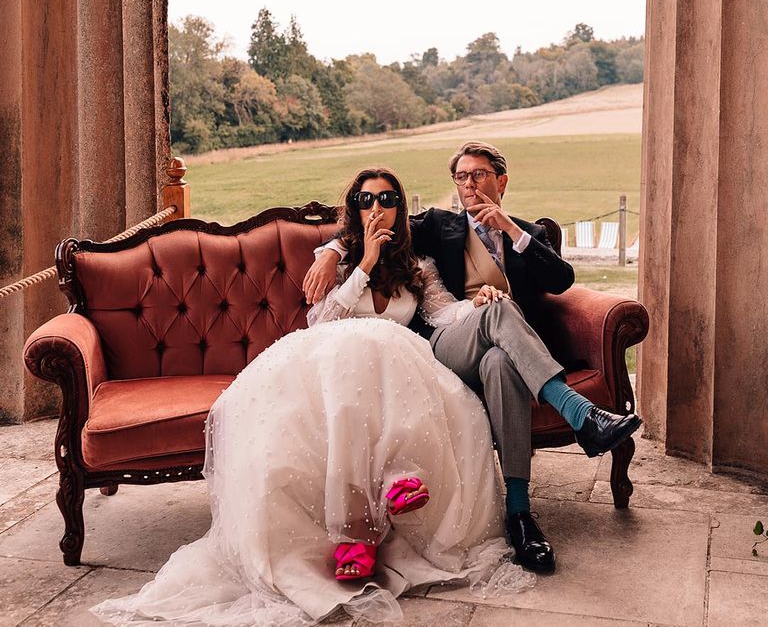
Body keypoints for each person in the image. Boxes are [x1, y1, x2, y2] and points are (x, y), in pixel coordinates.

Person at [91, 168, 534, 627]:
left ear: (400, 208)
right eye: (365, 200)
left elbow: (443, 314)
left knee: (406, 373)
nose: (376, 208)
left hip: (394, 362)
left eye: (386, 200)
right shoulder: (337, 263)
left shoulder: (417, 267)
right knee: (347, 388)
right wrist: (363, 262)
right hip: (334, 356)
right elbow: (326, 320)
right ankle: (362, 519)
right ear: (354, 208)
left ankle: (392, 493)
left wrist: (478, 301)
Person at [304, 141, 643, 574]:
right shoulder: (438, 226)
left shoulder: (529, 234)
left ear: (501, 181)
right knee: (497, 310)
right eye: (461, 177)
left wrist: (511, 232)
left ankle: (519, 514)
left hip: (510, 351)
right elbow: (372, 218)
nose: (469, 184)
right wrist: (334, 250)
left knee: (500, 362)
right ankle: (581, 413)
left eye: (479, 175)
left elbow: (563, 279)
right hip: (447, 346)